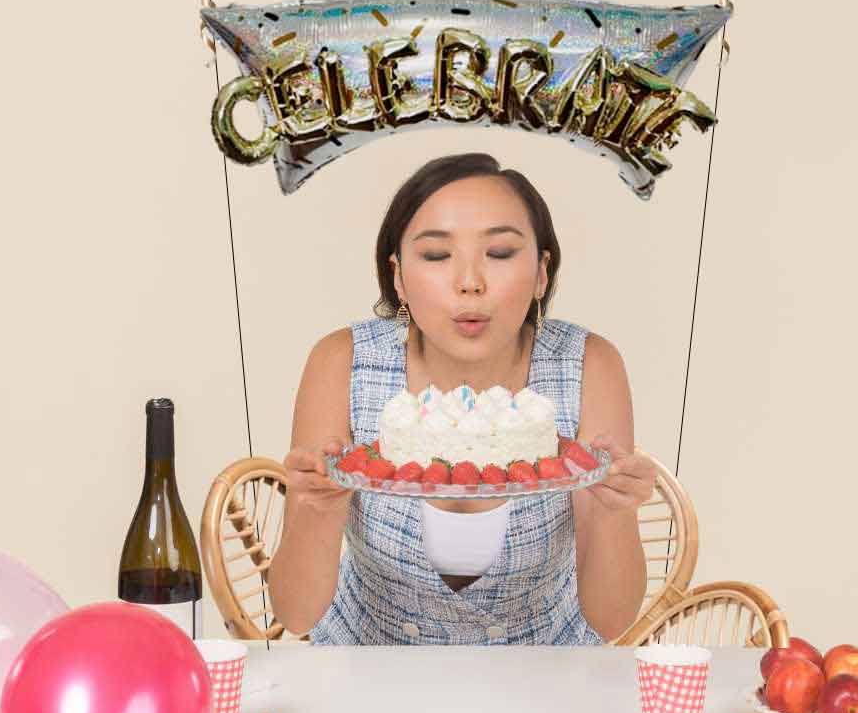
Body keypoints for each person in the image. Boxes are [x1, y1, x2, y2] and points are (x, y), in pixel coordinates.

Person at [268, 152, 654, 644]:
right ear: (399, 277)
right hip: (368, 678)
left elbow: (611, 620)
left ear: (541, 272)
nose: (470, 282)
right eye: (435, 256)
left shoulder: (588, 364)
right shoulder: (342, 361)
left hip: (542, 682)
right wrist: (315, 510)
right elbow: (296, 615)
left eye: (499, 253)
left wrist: (616, 511)